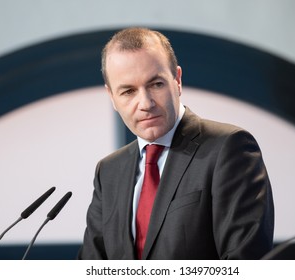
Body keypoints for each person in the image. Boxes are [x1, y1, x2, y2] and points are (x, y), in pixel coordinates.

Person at [78, 27, 274, 260]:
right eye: (128, 91)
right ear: (112, 97)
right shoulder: (109, 170)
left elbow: (243, 262)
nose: (145, 103)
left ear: (177, 80)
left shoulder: (229, 148)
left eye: (156, 84)